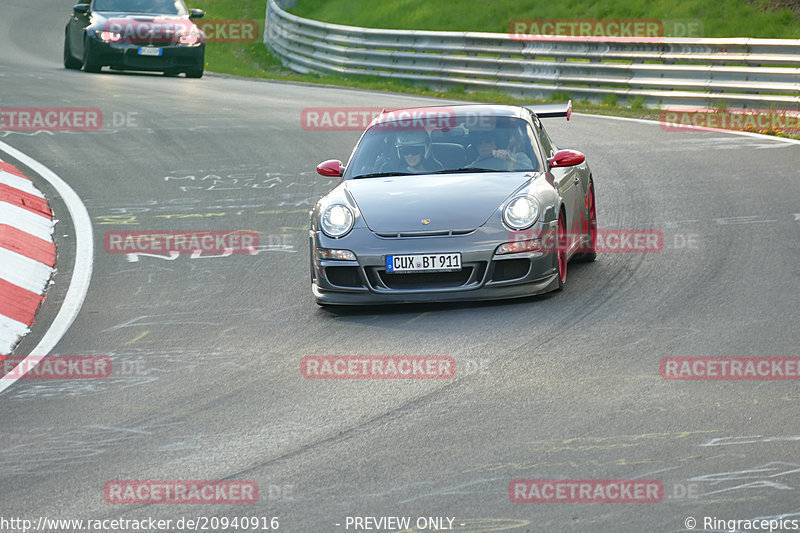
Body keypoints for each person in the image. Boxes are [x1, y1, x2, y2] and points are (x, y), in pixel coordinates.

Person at [468, 130, 534, 171]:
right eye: (478, 142)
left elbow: (531, 172)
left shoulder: (519, 157)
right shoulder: (472, 166)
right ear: (476, 147)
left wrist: (511, 159)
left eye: (488, 140)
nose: (483, 145)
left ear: (496, 143)